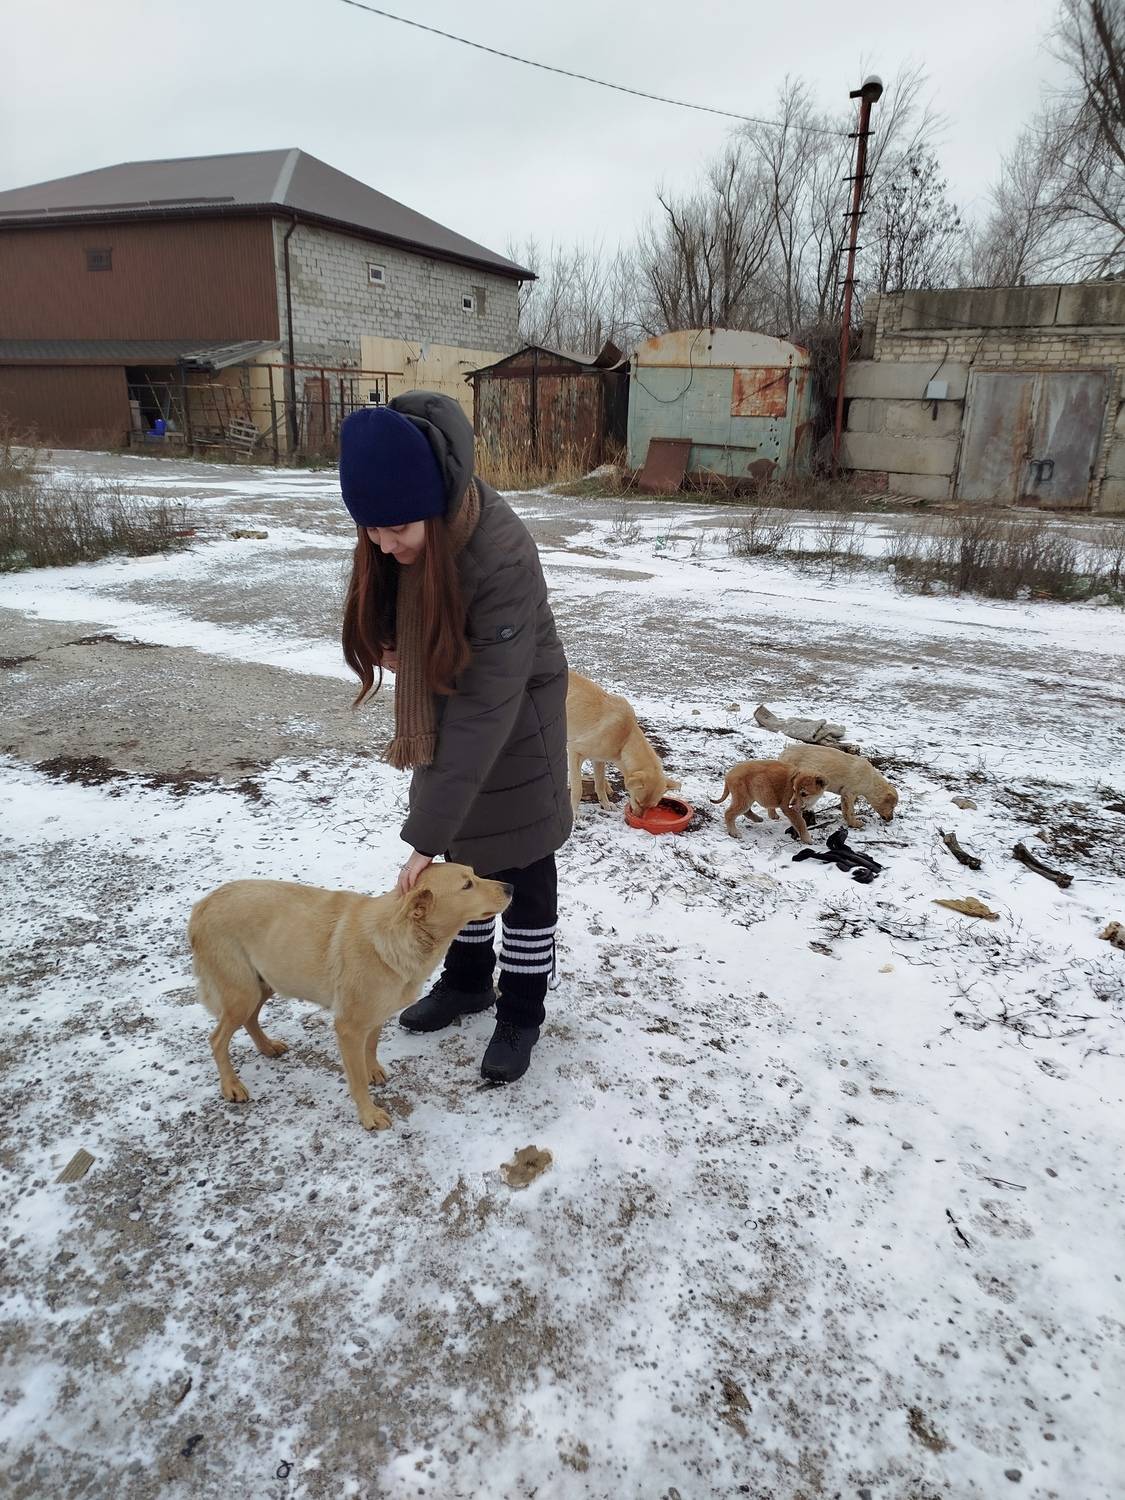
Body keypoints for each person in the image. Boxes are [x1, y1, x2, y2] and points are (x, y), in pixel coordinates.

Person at [338, 392, 571, 1083]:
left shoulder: (500, 554)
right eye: (370, 530)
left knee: (521, 866)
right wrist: (390, 641)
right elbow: (387, 596)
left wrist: (422, 836)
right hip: (452, 704)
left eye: (397, 529)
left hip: (516, 715)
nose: (385, 546)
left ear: (434, 507)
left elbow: (485, 706)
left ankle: (521, 1011)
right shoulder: (405, 525)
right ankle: (468, 982)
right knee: (462, 852)